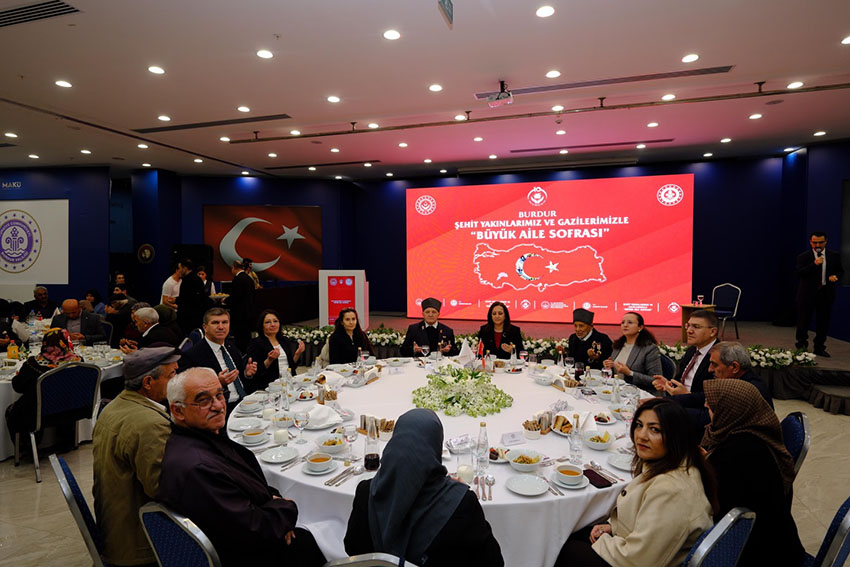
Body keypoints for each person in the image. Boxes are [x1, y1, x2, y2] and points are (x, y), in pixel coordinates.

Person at [157, 367, 326, 567]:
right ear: (178, 411)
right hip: (247, 555)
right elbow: (254, 529)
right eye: (203, 401)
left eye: (219, 395)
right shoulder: (198, 467)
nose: (218, 406)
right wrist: (285, 509)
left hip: (247, 530)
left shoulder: (199, 439)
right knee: (321, 532)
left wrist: (273, 502)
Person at [555, 398, 715, 567]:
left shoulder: (671, 490)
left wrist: (605, 541)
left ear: (676, 436)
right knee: (569, 531)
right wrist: (613, 528)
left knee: (563, 548)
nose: (642, 436)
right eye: (639, 425)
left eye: (654, 429)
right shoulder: (679, 462)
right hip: (639, 548)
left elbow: (641, 559)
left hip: (638, 559)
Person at [344, 408, 503, 566]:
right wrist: (456, 493)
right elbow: (493, 561)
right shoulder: (462, 504)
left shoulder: (367, 492)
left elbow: (353, 549)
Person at [92, 346, 181, 566]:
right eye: (172, 375)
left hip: (115, 525)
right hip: (139, 541)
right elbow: (163, 489)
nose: (178, 381)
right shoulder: (149, 423)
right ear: (148, 382)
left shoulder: (115, 405)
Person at [702, 380, 805, 567]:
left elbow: (710, 507)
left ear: (729, 411)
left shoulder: (738, 454)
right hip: (776, 541)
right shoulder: (754, 433)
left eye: (711, 405)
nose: (705, 405)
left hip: (754, 553)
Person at [671, 342, 772, 436]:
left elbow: (706, 419)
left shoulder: (744, 390)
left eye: (714, 364)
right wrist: (666, 401)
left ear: (734, 367)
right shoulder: (735, 381)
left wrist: (667, 412)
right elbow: (702, 397)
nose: (710, 369)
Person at [5, 328, 81, 444]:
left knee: (14, 410)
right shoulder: (78, 361)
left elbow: (18, 387)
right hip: (71, 408)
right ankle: (67, 441)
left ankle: (27, 447)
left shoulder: (33, 364)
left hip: (41, 412)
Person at [178, 307, 256, 414]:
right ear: (205, 327)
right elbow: (189, 390)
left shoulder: (231, 346)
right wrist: (218, 383)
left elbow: (239, 380)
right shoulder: (192, 355)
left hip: (245, 402)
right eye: (215, 323)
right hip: (220, 409)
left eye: (225, 322)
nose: (221, 327)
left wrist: (246, 374)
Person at [796, 231, 845, 357]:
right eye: (815, 242)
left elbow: (840, 271)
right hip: (807, 294)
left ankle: (819, 347)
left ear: (826, 242)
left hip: (825, 293)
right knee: (803, 320)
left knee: (823, 321)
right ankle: (801, 345)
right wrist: (814, 264)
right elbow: (800, 272)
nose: (817, 245)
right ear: (810, 242)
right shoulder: (804, 256)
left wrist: (835, 276)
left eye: (820, 242)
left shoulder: (834, 256)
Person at [652, 309, 718, 396]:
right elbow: (680, 380)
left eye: (696, 327)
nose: (689, 331)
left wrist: (687, 395)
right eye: (688, 326)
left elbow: (716, 395)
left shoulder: (719, 356)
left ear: (712, 332)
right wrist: (669, 385)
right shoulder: (692, 350)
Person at [246, 310, 305, 393]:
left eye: (275, 321)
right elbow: (256, 372)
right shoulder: (256, 343)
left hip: (289, 383)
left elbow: (292, 367)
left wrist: (297, 354)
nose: (273, 324)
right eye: (268, 322)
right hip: (270, 386)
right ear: (262, 326)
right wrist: (269, 360)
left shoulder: (284, 340)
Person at [603, 312, 662, 393]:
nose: (625, 325)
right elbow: (616, 372)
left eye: (630, 322)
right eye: (623, 322)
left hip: (639, 392)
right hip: (617, 389)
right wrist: (609, 366)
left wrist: (630, 373)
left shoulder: (649, 349)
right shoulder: (618, 345)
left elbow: (656, 380)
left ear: (640, 327)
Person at [225, 259, 255, 351]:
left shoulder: (237, 279)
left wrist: (225, 300)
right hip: (249, 312)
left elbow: (236, 297)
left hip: (239, 313)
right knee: (246, 335)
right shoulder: (249, 279)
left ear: (233, 268)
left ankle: (240, 353)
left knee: (240, 337)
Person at [176, 258, 209, 335]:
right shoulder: (197, 279)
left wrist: (177, 300)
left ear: (185, 268)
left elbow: (188, 300)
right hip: (197, 317)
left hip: (189, 318)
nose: (179, 271)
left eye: (180, 268)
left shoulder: (188, 281)